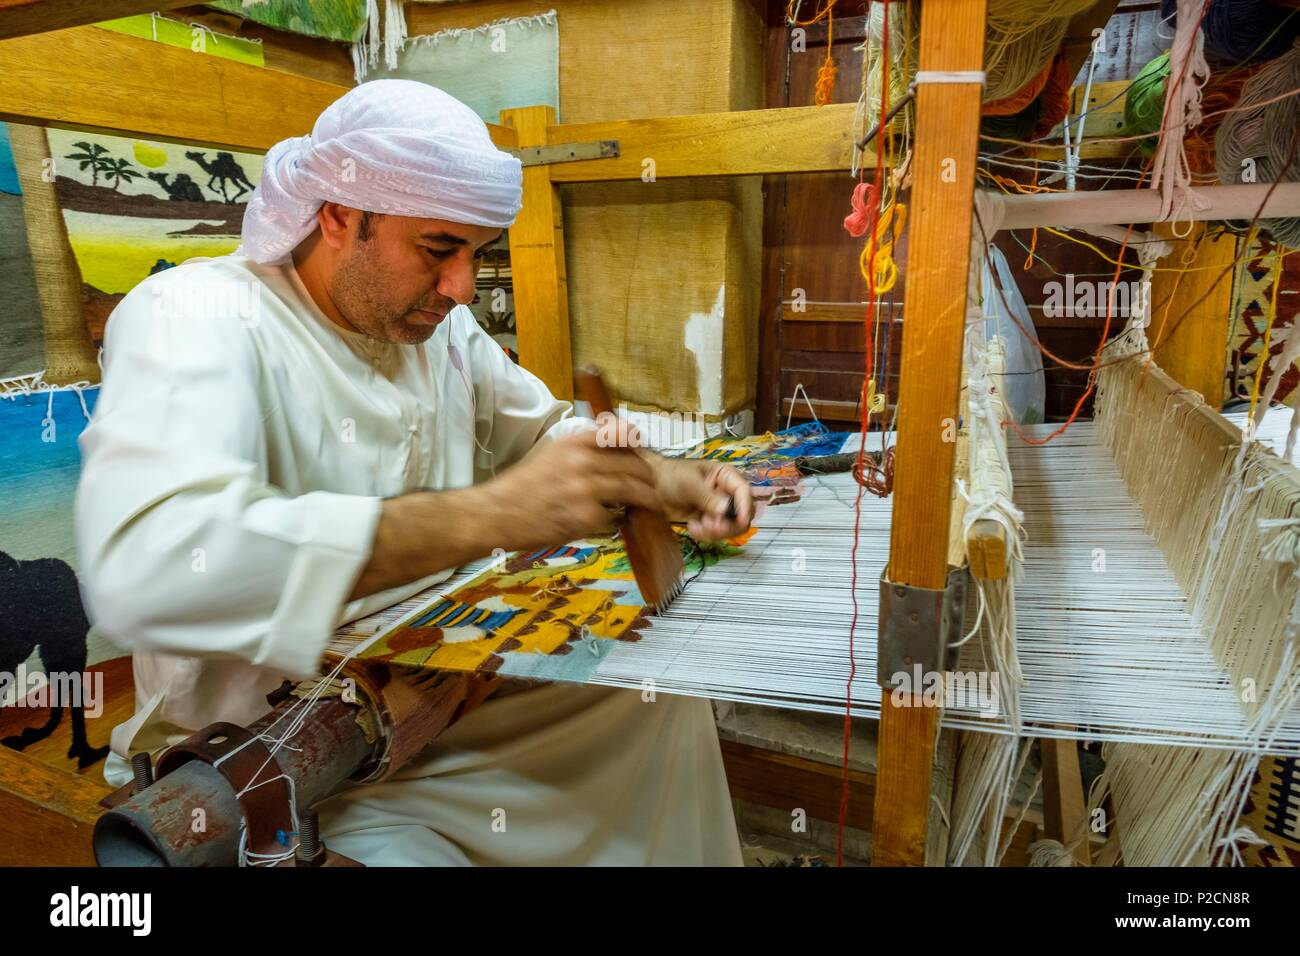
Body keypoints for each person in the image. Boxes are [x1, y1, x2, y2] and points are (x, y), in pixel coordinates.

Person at [75, 79, 754, 865]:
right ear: (336, 216)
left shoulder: (442, 331)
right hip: (281, 733)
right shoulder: (192, 318)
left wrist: (665, 483)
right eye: (439, 250)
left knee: (656, 704)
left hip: (441, 683)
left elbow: (542, 437)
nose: (462, 286)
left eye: (478, 254)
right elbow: (155, 565)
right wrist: (489, 517)